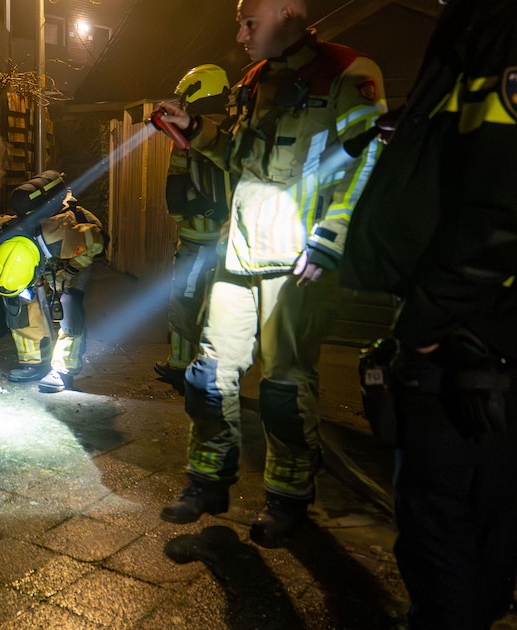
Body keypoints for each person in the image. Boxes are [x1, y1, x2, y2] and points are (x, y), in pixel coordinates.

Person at [153, 0, 387, 549]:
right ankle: (206, 483)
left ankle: (288, 500)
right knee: (207, 377)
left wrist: (331, 240)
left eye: (248, 22)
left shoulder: (350, 72)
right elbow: (241, 157)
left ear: (288, 12)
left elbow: (369, 160)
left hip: (299, 261)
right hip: (241, 253)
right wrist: (195, 129)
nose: (238, 34)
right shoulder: (255, 81)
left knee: (284, 389)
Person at [341, 0, 517, 626]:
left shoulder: (499, 26)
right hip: (474, 337)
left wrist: (424, 330)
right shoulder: (478, 25)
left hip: (465, 346)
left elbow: (500, 206)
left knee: (442, 534)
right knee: (483, 531)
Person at [0, 172, 105, 393]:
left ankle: (63, 370)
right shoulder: (1, 233)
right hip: (41, 261)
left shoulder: (63, 236)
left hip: (76, 258)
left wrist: (71, 269)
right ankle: (35, 362)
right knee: (20, 304)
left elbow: (98, 243)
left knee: (69, 307)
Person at [155, 64, 234, 391]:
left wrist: (183, 218)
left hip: (197, 239)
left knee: (186, 299)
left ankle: (181, 367)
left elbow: (175, 189)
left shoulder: (190, 135)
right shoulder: (235, 131)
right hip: (232, 241)